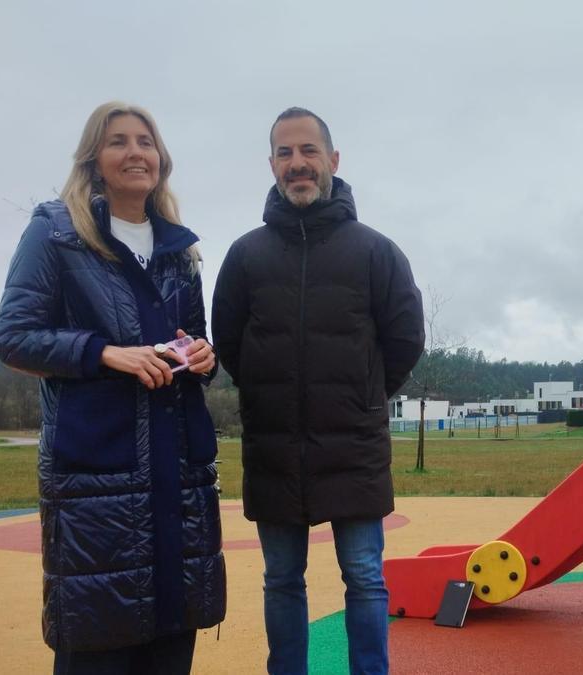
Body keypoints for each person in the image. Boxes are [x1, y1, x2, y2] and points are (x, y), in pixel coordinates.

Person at [0, 102, 226, 674]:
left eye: (145, 141)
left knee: (171, 636)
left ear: (161, 159)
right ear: (95, 158)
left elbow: (191, 338)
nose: (135, 152)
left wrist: (203, 354)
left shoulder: (180, 250)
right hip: (98, 475)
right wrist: (103, 352)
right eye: (118, 141)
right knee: (99, 637)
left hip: (179, 476)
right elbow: (14, 337)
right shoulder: (55, 232)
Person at [212, 107, 424, 674]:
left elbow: (405, 340)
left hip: (354, 447)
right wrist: (265, 396)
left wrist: (362, 398)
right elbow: (229, 343)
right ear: (272, 165)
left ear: (333, 160)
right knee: (281, 580)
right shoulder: (245, 256)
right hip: (274, 448)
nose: (297, 164)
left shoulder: (376, 252)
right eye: (285, 153)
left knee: (364, 578)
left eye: (308, 151)